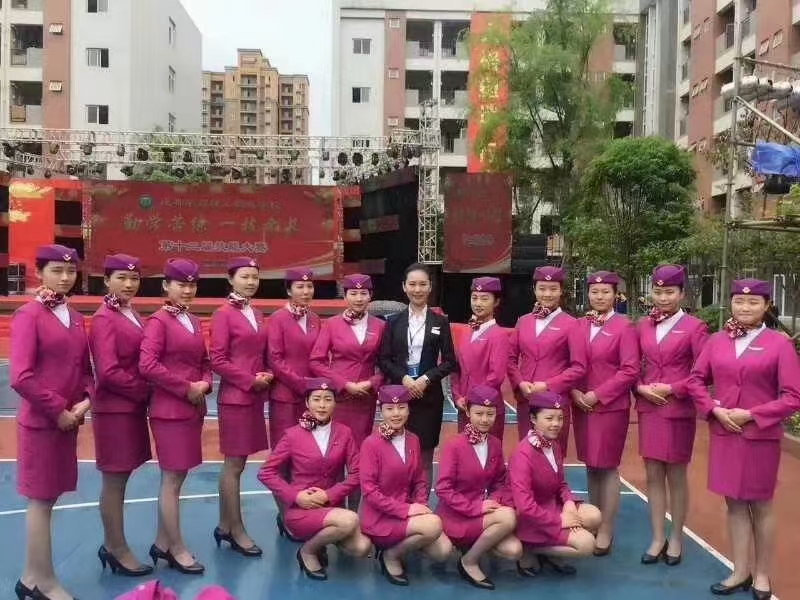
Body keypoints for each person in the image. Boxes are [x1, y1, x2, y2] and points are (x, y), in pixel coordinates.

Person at [689, 278, 800, 599]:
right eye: (739, 301)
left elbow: (793, 397)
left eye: (753, 302)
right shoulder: (717, 340)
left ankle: (762, 574)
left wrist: (751, 414)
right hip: (725, 432)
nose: (745, 307)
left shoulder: (779, 344)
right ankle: (740, 571)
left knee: (761, 506)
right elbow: (696, 380)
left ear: (766, 306)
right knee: (734, 504)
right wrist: (713, 409)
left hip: (759, 436)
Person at [12, 244, 93, 600]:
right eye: (57, 270)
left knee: (50, 498)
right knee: (40, 501)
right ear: (39, 272)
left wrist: (86, 401)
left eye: (70, 271)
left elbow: (84, 368)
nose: (64, 277)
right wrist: (58, 409)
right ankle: (41, 581)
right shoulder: (28, 315)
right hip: (42, 424)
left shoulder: (73, 316)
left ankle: (31, 577)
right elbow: (21, 376)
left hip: (68, 422)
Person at [258, 377, 372, 580]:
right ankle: (308, 551)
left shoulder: (344, 433)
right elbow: (266, 472)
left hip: (332, 507)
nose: (322, 405)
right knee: (350, 520)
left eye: (328, 399)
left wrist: (329, 495)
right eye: (317, 399)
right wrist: (296, 496)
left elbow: (357, 474)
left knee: (362, 548)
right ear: (307, 402)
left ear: (335, 403)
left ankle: (320, 543)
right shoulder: (292, 435)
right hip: (302, 509)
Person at [139, 258, 212, 575]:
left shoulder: (192, 320)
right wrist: (186, 388)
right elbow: (148, 365)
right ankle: (177, 548)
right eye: (181, 284)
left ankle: (162, 542)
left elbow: (204, 361)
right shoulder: (159, 321)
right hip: (170, 411)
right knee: (171, 480)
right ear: (166, 286)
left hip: (192, 408)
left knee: (177, 478)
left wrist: (205, 383)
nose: (187, 290)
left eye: (192, 284)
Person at [635, 265, 709, 567]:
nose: (663, 298)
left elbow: (703, 372)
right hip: (649, 407)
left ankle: (676, 537)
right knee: (653, 474)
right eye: (658, 291)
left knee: (676, 475)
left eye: (669, 292)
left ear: (681, 294)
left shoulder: (695, 327)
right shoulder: (643, 325)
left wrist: (672, 388)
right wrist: (640, 387)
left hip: (677, 409)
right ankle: (657, 537)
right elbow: (632, 365)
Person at [89, 254, 152, 577]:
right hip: (115, 410)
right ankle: (115, 547)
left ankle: (113, 543)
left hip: (130, 408)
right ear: (106, 280)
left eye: (134, 278)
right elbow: (108, 371)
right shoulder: (104, 318)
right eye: (121, 278)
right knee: (114, 481)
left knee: (122, 479)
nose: (129, 284)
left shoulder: (130, 312)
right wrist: (146, 391)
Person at [569, 271, 639, 556]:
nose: (599, 297)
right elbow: (571, 364)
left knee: (607, 467)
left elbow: (630, 369)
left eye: (605, 292)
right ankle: (593, 520)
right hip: (581, 404)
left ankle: (607, 528)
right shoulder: (579, 325)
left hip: (609, 406)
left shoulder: (624, 326)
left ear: (615, 295)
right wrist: (574, 391)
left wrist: (597, 395)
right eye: (595, 292)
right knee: (590, 464)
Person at [360, 385, 453, 586]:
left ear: (409, 409)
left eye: (401, 407)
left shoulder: (413, 440)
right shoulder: (371, 444)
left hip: (409, 511)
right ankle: (390, 556)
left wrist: (420, 505)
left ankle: (402, 543)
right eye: (390, 409)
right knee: (433, 526)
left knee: (443, 551)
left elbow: (419, 479)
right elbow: (370, 492)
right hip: (380, 517)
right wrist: (407, 510)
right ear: (381, 411)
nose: (396, 414)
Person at [209, 257, 271, 558]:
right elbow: (217, 360)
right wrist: (250, 380)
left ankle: (224, 525)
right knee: (233, 466)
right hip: (236, 398)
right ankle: (236, 529)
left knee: (239, 464)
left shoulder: (255, 313)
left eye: (254, 277)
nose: (250, 282)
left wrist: (266, 374)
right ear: (230, 279)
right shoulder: (224, 314)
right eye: (244, 276)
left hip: (252, 397)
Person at [436, 384, 522, 590]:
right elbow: (443, 488)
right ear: (467, 412)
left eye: (490, 414)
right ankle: (469, 561)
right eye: (479, 413)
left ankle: (471, 546)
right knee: (508, 517)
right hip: (457, 514)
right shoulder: (454, 445)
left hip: (485, 512)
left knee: (514, 550)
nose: (485, 419)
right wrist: (475, 507)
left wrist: (493, 500)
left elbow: (500, 480)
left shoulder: (494, 443)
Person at [378, 263, 458, 484]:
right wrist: (404, 378)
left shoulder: (440, 322)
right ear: (404, 287)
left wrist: (425, 379)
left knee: (424, 457)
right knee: (396, 454)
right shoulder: (392, 321)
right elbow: (383, 359)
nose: (417, 289)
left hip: (428, 397)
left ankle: (421, 501)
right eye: (412, 284)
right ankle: (398, 498)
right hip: (398, 396)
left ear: (430, 287)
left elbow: (450, 362)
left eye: (423, 284)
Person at [511, 391, 602, 576]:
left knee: (594, 516)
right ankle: (529, 548)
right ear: (533, 419)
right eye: (549, 418)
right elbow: (524, 506)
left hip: (552, 506)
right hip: (533, 516)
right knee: (587, 544)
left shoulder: (553, 445)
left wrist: (568, 503)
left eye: (560, 418)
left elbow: (561, 483)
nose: (556, 423)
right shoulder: (522, 454)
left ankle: (547, 550)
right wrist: (560, 520)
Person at [266, 267, 321, 533]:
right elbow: (275, 359)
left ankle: (304, 513)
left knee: (306, 457)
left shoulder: (315, 319)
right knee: (283, 458)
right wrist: (303, 385)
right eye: (300, 287)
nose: (306, 291)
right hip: (286, 398)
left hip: (311, 400)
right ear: (288, 290)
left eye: (309, 286)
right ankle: (285, 515)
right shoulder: (277, 319)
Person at [508, 266, 586, 450]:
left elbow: (579, 367)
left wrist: (547, 385)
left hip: (555, 400)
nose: (547, 294)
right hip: (527, 398)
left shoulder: (572, 324)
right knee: (527, 451)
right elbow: (510, 359)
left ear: (561, 291)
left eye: (553, 289)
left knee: (553, 454)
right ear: (534, 290)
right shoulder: (523, 321)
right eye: (542, 288)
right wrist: (520, 383)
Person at [451, 277, 510, 440]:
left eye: (484, 299)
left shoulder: (499, 335)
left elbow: (496, 376)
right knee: (465, 450)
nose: (478, 303)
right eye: (474, 298)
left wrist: (470, 398)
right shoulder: (465, 331)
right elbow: (455, 368)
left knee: (488, 451)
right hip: (465, 407)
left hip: (486, 408)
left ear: (496, 302)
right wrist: (457, 396)